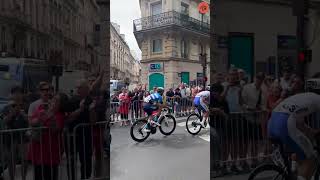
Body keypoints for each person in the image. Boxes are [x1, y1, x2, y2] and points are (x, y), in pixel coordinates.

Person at [268, 92, 320, 180]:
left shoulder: (305, 96)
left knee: (298, 151)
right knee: (310, 157)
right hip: (284, 124)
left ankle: (294, 171)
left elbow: (301, 123)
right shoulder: (318, 100)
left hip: (271, 123)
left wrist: (311, 131)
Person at [27, 93, 69, 180]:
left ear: (61, 104)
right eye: (53, 99)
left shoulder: (60, 115)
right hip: (38, 149)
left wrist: (51, 117)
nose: (53, 101)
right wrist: (39, 118)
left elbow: (56, 129)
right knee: (38, 175)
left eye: (57, 100)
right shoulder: (41, 108)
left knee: (50, 175)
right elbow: (32, 122)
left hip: (50, 152)